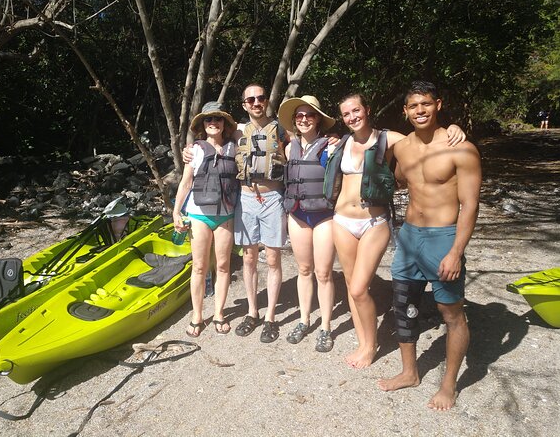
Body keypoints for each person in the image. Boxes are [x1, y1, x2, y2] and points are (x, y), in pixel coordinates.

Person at [328, 93, 466, 369]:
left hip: (373, 221)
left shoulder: (388, 138)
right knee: (350, 285)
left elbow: (423, 139)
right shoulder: (342, 142)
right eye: (346, 114)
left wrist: (453, 128)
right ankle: (364, 342)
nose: (352, 117)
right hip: (342, 219)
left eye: (356, 110)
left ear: (367, 110)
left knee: (358, 288)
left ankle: (372, 345)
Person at [377, 81, 481, 412]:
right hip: (409, 237)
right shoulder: (401, 147)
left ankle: (448, 385)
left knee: (450, 313)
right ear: (405, 112)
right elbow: (393, 177)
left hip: (443, 238)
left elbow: (471, 205)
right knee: (403, 307)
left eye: (425, 104)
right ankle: (410, 372)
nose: (420, 111)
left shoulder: (461, 149)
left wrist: (455, 251)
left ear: (437, 104)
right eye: (413, 106)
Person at [183, 84, 289, 343]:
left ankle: (271, 317)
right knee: (250, 258)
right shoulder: (238, 131)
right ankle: (252, 312)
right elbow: (209, 142)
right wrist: (189, 149)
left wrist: (331, 139)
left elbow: (304, 140)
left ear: (266, 101)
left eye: (260, 98)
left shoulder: (282, 129)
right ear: (244, 104)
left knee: (273, 259)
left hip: (272, 197)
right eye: (250, 99)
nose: (256, 102)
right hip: (245, 198)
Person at [173, 102, 240, 337]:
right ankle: (197, 315)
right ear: (203, 124)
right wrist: (176, 211)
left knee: (223, 267)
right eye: (208, 120)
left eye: (218, 119)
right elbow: (186, 182)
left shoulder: (236, 147)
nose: (213, 123)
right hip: (199, 215)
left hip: (226, 215)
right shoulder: (196, 149)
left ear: (225, 124)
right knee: (199, 267)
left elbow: (252, 128)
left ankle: (219, 313)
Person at [277, 95, 337, 352]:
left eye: (309, 115)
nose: (304, 119)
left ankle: (326, 326)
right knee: (303, 270)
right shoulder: (289, 148)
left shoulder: (331, 146)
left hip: (323, 216)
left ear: (319, 119)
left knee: (323, 273)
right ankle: (304, 319)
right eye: (299, 116)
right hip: (298, 214)